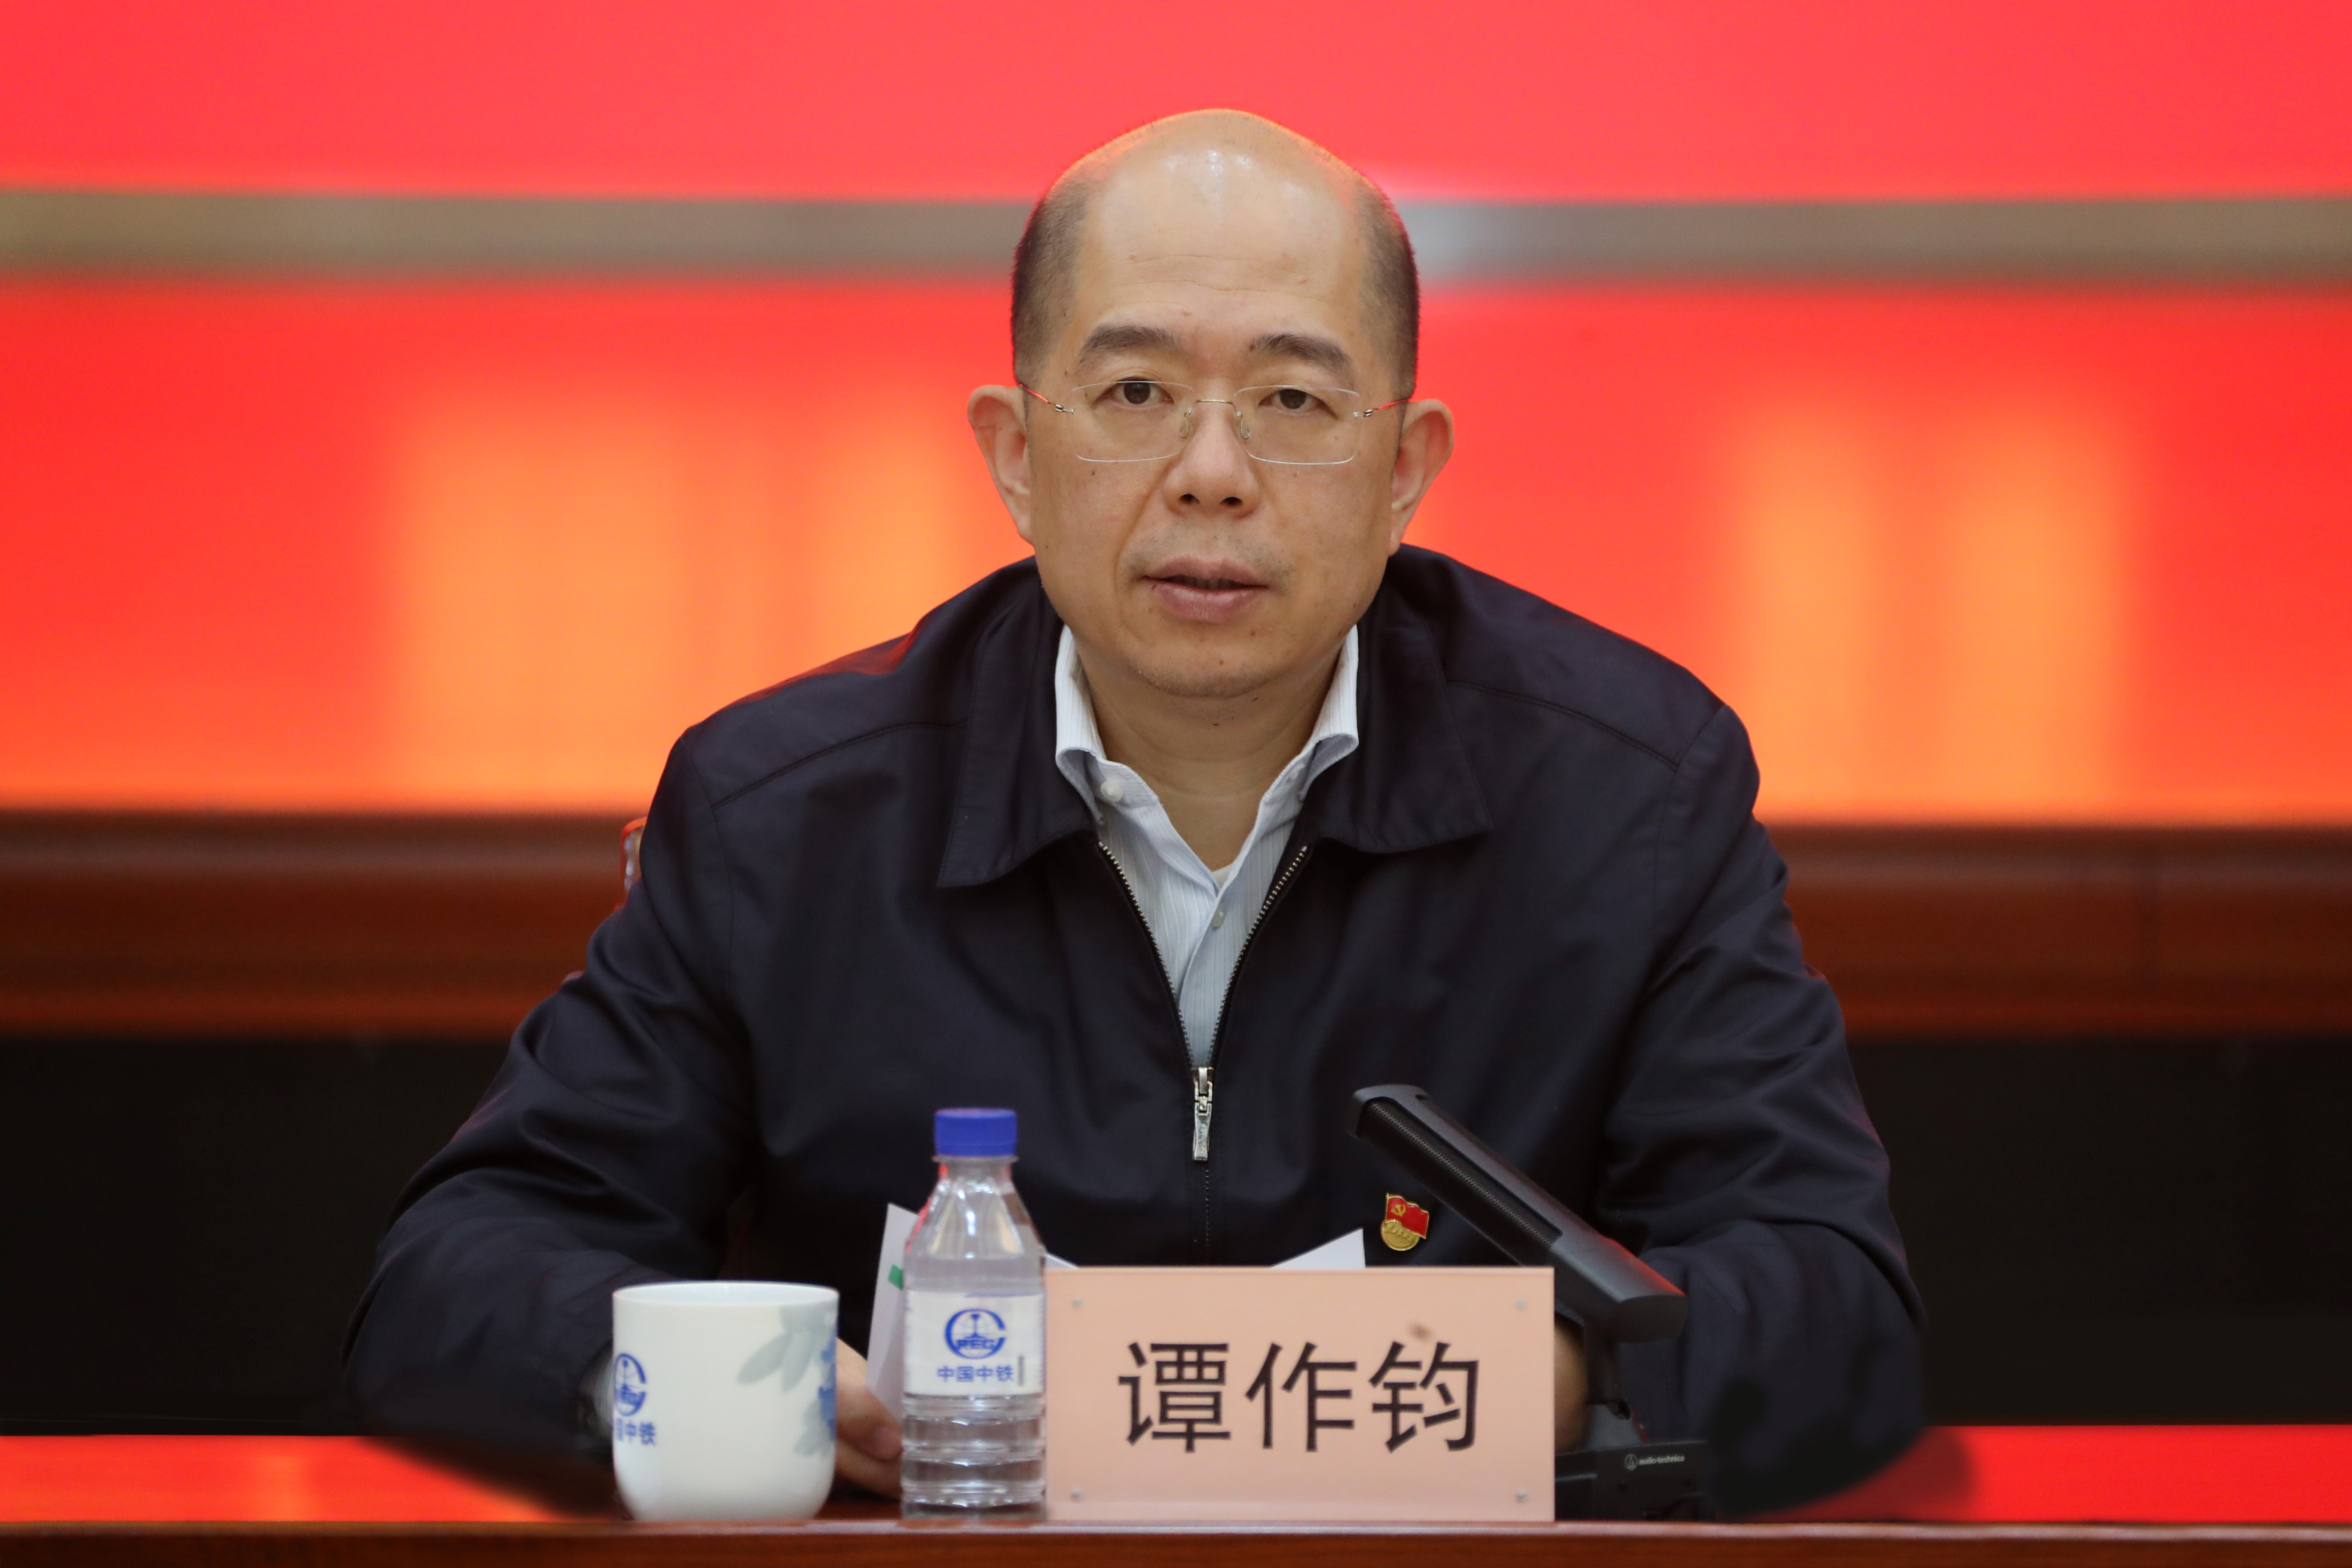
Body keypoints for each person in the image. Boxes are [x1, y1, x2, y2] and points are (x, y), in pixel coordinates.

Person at [346, 110, 1922, 1513]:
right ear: (1017, 456)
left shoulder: (1627, 793)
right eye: (1136, 390)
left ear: (1405, 467)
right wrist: (748, 1383)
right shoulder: (785, 817)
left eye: (1294, 399)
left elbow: (1834, 1304)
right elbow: (459, 1280)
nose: (1212, 472)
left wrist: (1517, 1381)